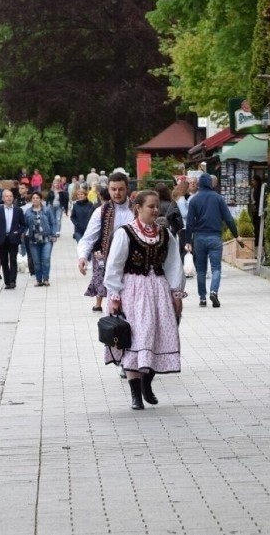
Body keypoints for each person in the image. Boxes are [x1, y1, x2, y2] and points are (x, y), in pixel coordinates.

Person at [104, 189, 185, 410]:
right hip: (133, 291)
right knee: (136, 339)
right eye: (151, 206)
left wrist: (176, 293)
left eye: (157, 206)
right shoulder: (125, 233)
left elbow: (174, 265)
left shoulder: (165, 234)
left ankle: (147, 383)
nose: (156, 210)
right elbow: (114, 266)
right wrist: (114, 295)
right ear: (138, 208)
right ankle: (135, 394)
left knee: (157, 335)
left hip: (158, 289)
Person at [77, 172, 133, 312]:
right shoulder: (101, 212)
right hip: (111, 265)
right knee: (114, 312)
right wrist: (83, 256)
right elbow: (88, 237)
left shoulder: (137, 210)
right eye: (113, 189)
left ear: (127, 189)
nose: (117, 193)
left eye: (120, 189)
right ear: (108, 189)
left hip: (134, 266)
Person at [185, 173, 241, 308]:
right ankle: (214, 291)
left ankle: (202, 298)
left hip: (199, 238)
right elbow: (228, 218)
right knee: (216, 268)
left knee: (201, 270)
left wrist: (188, 240)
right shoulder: (218, 199)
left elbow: (190, 223)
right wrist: (236, 235)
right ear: (211, 183)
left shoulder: (194, 200)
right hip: (215, 237)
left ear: (199, 184)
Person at [0, 190, 26, 289]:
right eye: (7, 196)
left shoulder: (18, 210)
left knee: (13, 259)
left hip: (13, 238)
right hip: (2, 239)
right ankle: (7, 281)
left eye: (10, 196)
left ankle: (12, 281)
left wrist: (19, 232)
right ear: (3, 198)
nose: (9, 198)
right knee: (4, 261)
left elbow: (23, 225)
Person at [24, 192, 56, 286]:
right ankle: (38, 280)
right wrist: (26, 233)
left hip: (46, 238)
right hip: (33, 240)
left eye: (37, 198)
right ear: (31, 200)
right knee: (36, 261)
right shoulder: (28, 212)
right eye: (33, 198)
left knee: (46, 259)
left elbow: (53, 223)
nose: (35, 199)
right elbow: (24, 224)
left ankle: (46, 278)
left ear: (41, 199)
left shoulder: (47, 210)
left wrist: (54, 235)